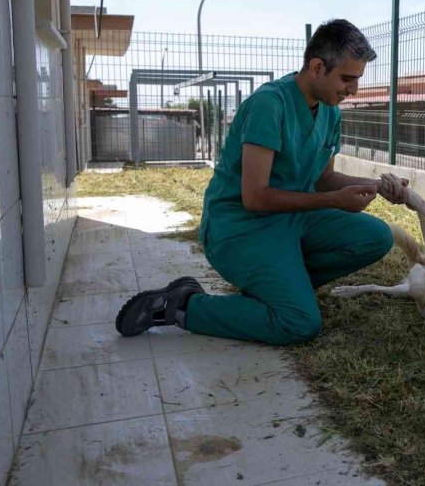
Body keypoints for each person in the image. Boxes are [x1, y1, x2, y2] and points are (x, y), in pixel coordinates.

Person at [115, 19, 408, 344]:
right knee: (299, 323)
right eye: (347, 78)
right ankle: (182, 306)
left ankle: (285, 284)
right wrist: (334, 201)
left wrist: (377, 186)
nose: (353, 89)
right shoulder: (270, 104)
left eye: (357, 79)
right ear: (317, 67)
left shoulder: (330, 112)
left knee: (377, 236)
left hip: (290, 221)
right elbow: (254, 197)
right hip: (241, 228)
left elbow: (325, 179)